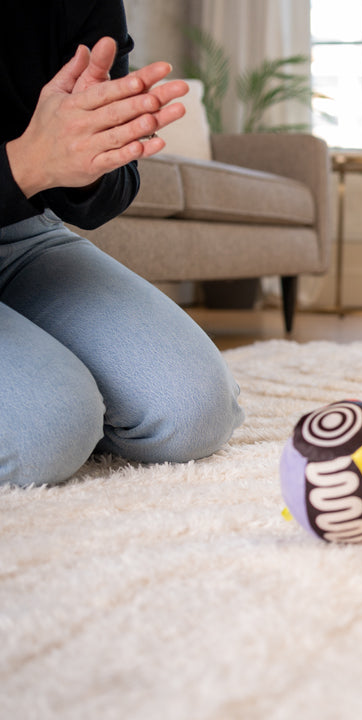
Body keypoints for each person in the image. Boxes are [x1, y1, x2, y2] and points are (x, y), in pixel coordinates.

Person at [1, 1, 244, 486]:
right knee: (49, 431)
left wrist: (93, 157)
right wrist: (26, 164)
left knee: (193, 413)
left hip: (20, 231)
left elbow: (107, 197)